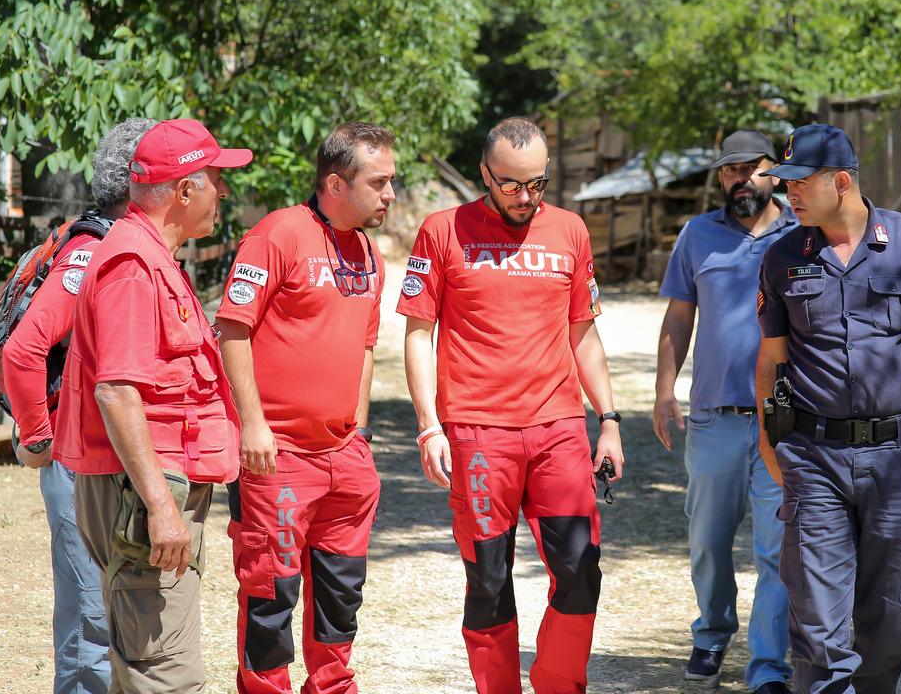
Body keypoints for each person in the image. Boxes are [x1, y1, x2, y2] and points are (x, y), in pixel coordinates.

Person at [399, 116, 623, 694]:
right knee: (489, 580)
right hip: (478, 435)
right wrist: (429, 427)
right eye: (511, 185)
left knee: (581, 571)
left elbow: (584, 333)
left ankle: (558, 684)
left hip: (559, 430)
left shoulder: (570, 230)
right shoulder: (442, 230)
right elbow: (419, 334)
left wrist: (610, 420)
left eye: (537, 184)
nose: (525, 198)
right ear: (484, 175)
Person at [754, 124, 901, 694]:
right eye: (785, 181)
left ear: (842, 181)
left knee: (891, 615)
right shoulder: (781, 258)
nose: (788, 193)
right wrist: (766, 437)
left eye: (800, 182)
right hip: (812, 453)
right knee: (819, 622)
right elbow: (772, 360)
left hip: (897, 456)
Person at [52, 118, 252, 692]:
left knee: (146, 667)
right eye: (216, 177)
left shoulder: (151, 256)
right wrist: (161, 506)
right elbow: (116, 391)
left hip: (150, 489)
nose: (225, 190)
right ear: (185, 189)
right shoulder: (133, 265)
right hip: (143, 497)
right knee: (164, 675)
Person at [216, 122, 394, 694]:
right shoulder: (276, 235)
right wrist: (254, 425)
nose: (390, 194)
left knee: (341, 595)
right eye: (380, 182)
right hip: (277, 457)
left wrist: (360, 431)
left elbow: (366, 347)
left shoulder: (368, 252)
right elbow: (233, 331)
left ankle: (333, 687)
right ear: (336, 184)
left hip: (345, 458)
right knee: (270, 593)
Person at [3, 118, 155, 693]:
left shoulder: (122, 246)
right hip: (74, 460)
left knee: (101, 616)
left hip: (101, 459)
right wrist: (39, 439)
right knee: (92, 623)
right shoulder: (91, 252)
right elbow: (24, 352)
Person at [654, 129, 797, 693]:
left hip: (785, 423)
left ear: (775, 170)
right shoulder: (696, 236)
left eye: (751, 168)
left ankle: (768, 667)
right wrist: (665, 391)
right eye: (729, 170)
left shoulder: (802, 232)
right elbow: (677, 319)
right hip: (715, 417)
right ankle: (712, 634)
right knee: (708, 543)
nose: (740, 179)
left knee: (778, 548)